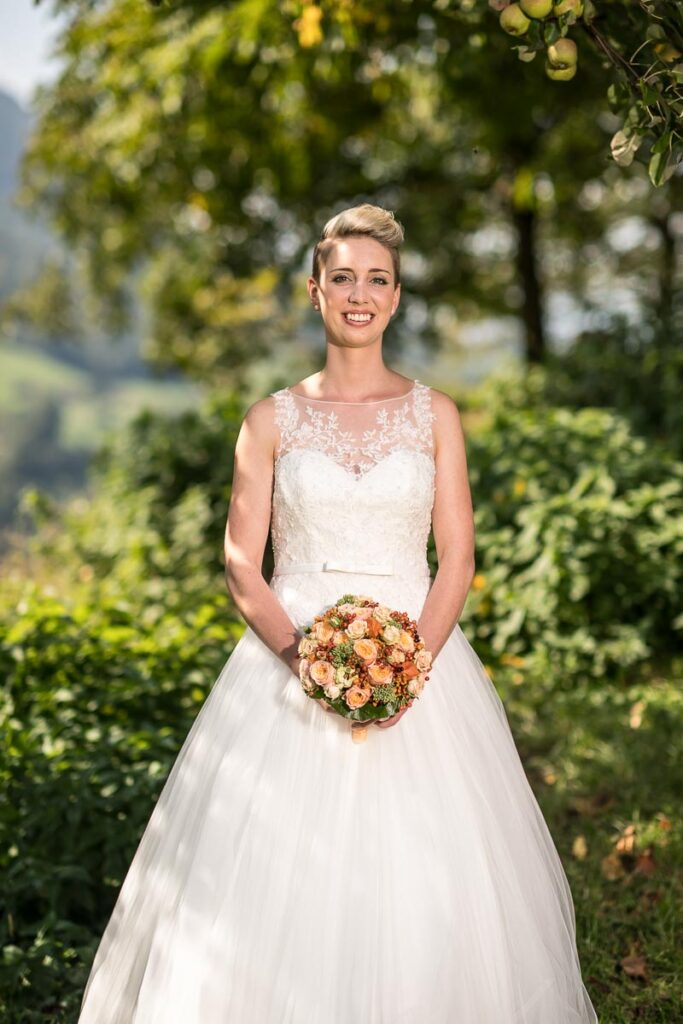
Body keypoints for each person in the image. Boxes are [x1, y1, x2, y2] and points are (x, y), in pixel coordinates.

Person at [77, 203, 599, 1023]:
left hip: (418, 662)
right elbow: (241, 563)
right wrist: (303, 658)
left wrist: (406, 665)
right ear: (314, 291)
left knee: (428, 876)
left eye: (378, 280)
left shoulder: (436, 417)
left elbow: (455, 558)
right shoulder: (268, 420)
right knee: (267, 879)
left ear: (396, 298)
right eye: (343, 278)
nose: (360, 294)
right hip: (287, 661)